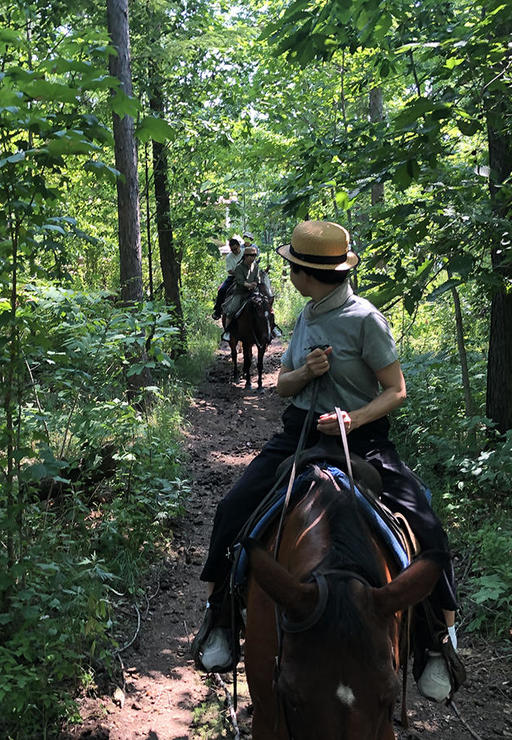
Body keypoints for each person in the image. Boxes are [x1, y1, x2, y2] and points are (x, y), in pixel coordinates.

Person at [192, 220, 459, 702]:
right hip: (300, 432)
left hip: (361, 439)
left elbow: (396, 390)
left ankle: (437, 642)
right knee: (234, 507)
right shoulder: (307, 316)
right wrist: (304, 372)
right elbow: (283, 386)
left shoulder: (366, 320)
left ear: (306, 274)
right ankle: (221, 617)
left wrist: (353, 419)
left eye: (294, 267)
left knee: (424, 520)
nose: (291, 273)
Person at [219, 244, 261, 340]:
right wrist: (248, 285)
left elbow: (257, 278)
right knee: (231, 311)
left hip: (254, 292)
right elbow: (240, 281)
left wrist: (255, 283)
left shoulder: (255, 266)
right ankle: (227, 332)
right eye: (251, 255)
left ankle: (271, 329)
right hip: (241, 293)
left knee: (266, 307)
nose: (253, 257)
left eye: (254, 255)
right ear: (246, 256)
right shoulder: (239, 267)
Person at [212, 237, 243, 320]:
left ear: (239, 246)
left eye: (236, 249)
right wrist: (238, 273)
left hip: (248, 276)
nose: (235, 251)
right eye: (232, 250)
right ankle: (218, 311)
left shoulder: (245, 252)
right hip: (233, 277)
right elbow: (230, 271)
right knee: (222, 290)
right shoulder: (229, 257)